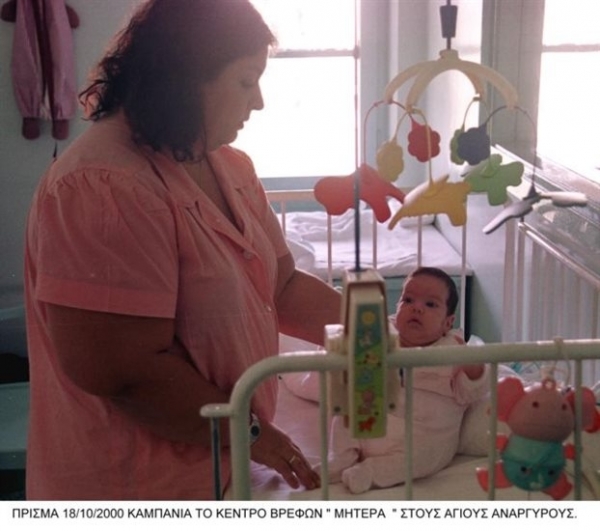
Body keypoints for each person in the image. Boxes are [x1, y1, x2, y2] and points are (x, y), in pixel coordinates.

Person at [23, 0, 341, 500]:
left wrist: (380, 333)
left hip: (218, 469)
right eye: (246, 81)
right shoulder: (103, 184)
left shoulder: (228, 166)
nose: (258, 102)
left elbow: (281, 287)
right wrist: (252, 433)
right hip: (132, 489)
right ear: (187, 78)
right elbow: (126, 372)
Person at [323, 266, 487, 494]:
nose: (416, 308)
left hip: (422, 434)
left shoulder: (453, 351)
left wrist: (473, 367)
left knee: (426, 455)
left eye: (430, 304)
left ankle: (370, 472)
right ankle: (340, 458)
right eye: (408, 300)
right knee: (345, 408)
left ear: (447, 323)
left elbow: (470, 392)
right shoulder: (381, 333)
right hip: (374, 417)